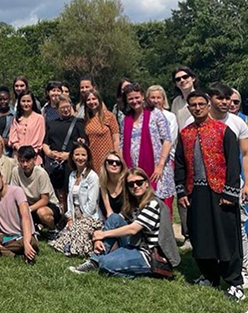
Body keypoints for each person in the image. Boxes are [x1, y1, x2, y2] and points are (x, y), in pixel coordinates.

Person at [175, 91, 244, 300]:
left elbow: (234, 163)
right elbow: (179, 164)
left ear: (207, 106)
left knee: (227, 237)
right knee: (200, 235)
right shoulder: (185, 133)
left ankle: (235, 283)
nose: (197, 108)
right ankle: (209, 275)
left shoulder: (224, 131)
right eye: (193, 105)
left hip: (220, 192)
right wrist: (181, 191)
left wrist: (230, 194)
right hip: (195, 192)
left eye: (201, 104)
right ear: (189, 108)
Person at [70, 167, 180, 278]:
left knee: (105, 264)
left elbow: (133, 229)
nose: (135, 186)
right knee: (114, 218)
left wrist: (103, 234)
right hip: (137, 244)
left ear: (146, 184)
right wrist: (99, 239)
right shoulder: (134, 203)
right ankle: (94, 261)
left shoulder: (153, 203)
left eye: (139, 182)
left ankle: (140, 272)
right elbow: (117, 220)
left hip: (150, 254)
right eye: (131, 184)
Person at [120, 83, 174, 213]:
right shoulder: (125, 119)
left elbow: (167, 139)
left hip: (156, 169)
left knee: (159, 205)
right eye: (131, 99)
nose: (134, 101)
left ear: (143, 96)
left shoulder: (155, 114)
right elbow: (121, 144)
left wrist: (160, 164)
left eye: (137, 97)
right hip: (135, 169)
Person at [0, 166, 38, 262]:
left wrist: (26, 241)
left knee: (32, 242)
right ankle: (13, 256)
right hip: (7, 237)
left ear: (2, 177)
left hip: (23, 236)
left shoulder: (17, 191)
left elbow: (25, 217)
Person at [49, 143, 102, 256]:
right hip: (75, 216)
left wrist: (81, 220)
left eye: (83, 155)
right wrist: (69, 218)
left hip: (90, 217)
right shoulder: (72, 175)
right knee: (62, 238)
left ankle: (79, 247)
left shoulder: (92, 177)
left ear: (88, 157)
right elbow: (69, 199)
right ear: (72, 157)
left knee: (77, 234)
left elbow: (92, 204)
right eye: (77, 154)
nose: (80, 158)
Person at [42, 94, 85, 208]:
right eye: (62, 108)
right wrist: (51, 154)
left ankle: (71, 214)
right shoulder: (51, 124)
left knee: (70, 191)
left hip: (71, 162)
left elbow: (84, 145)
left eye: (67, 107)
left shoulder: (79, 122)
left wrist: (69, 155)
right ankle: (62, 214)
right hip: (55, 163)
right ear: (57, 109)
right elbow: (45, 144)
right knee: (59, 193)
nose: (65, 110)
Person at [10, 146, 60, 230]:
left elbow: (45, 199)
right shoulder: (16, 171)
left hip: (48, 204)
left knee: (42, 213)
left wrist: (28, 209)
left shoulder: (41, 173)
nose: (25, 164)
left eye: (28, 161)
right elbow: (14, 193)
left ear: (35, 159)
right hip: (28, 204)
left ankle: (53, 229)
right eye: (22, 161)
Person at [83, 88, 120, 171]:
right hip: (93, 157)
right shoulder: (86, 120)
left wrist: (116, 156)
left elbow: (116, 139)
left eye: (94, 99)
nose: (92, 102)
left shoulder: (109, 116)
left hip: (108, 156)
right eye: (88, 100)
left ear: (99, 100)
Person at [9, 90, 45, 164]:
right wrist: (20, 150)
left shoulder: (39, 118)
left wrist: (30, 153)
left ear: (33, 102)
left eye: (28, 101)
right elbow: (13, 138)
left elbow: (40, 139)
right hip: (18, 157)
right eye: (23, 101)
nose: (26, 104)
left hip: (33, 157)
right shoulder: (16, 118)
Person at [146, 85, 179, 154]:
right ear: (148, 99)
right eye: (152, 98)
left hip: (168, 154)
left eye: (158, 98)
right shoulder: (143, 116)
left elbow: (171, 138)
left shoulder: (170, 116)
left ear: (163, 99)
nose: (155, 101)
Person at [98, 150, 127, 218]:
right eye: (110, 162)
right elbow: (109, 212)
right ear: (105, 164)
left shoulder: (126, 182)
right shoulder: (103, 183)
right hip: (110, 220)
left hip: (126, 219)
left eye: (118, 163)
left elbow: (127, 210)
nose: (114, 164)